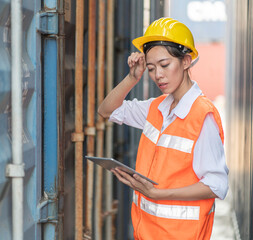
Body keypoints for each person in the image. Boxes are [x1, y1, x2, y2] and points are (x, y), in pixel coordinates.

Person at [98, 17, 229, 240]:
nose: (158, 75)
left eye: (164, 65)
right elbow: (107, 111)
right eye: (151, 68)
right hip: (146, 233)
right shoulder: (157, 108)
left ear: (186, 61)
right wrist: (132, 78)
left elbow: (217, 185)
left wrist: (158, 194)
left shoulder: (202, 116)